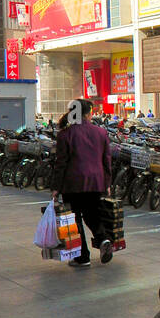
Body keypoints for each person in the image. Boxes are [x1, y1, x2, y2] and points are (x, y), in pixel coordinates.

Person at [50, 99, 113, 267]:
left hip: (73, 183)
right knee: (93, 214)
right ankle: (103, 240)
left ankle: (82, 257)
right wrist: (107, 183)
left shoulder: (65, 134)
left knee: (75, 219)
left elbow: (61, 163)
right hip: (96, 181)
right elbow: (107, 160)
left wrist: (56, 187)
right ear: (87, 114)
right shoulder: (101, 132)